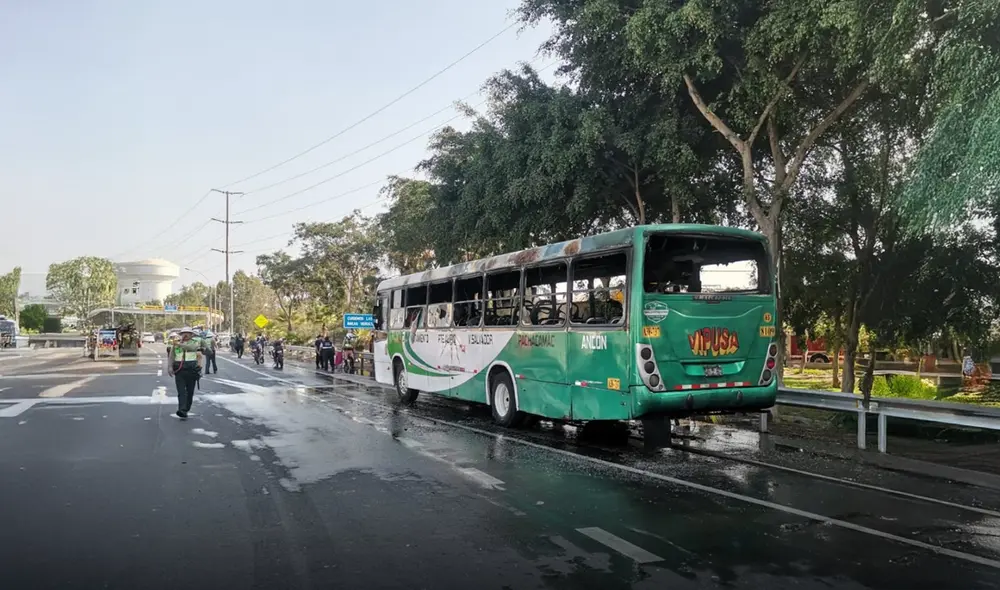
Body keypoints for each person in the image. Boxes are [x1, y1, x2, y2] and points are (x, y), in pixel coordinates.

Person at [168, 327, 202, 419]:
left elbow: (191, 348)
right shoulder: (176, 344)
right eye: (183, 333)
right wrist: (170, 367)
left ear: (191, 335)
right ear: (181, 334)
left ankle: (186, 408)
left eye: (188, 333)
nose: (185, 335)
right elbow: (172, 356)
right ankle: (182, 410)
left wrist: (180, 344)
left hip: (192, 370)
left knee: (190, 392)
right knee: (181, 391)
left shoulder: (195, 342)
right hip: (179, 370)